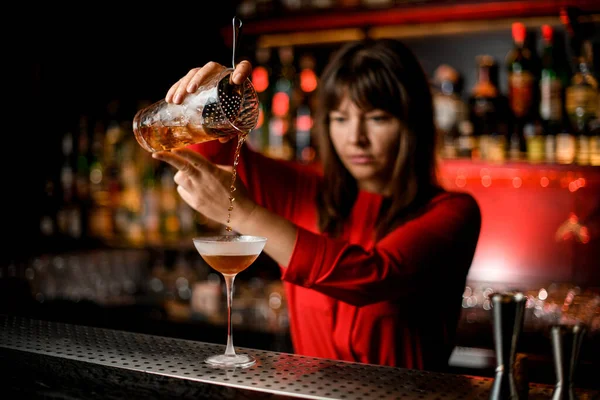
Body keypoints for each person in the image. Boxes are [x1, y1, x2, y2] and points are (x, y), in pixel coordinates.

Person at [151, 38, 482, 372]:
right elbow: (212, 155)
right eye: (340, 119)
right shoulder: (304, 189)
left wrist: (245, 213)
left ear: (413, 125)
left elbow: (372, 276)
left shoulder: (452, 212)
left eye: (378, 118)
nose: (356, 137)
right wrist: (206, 100)